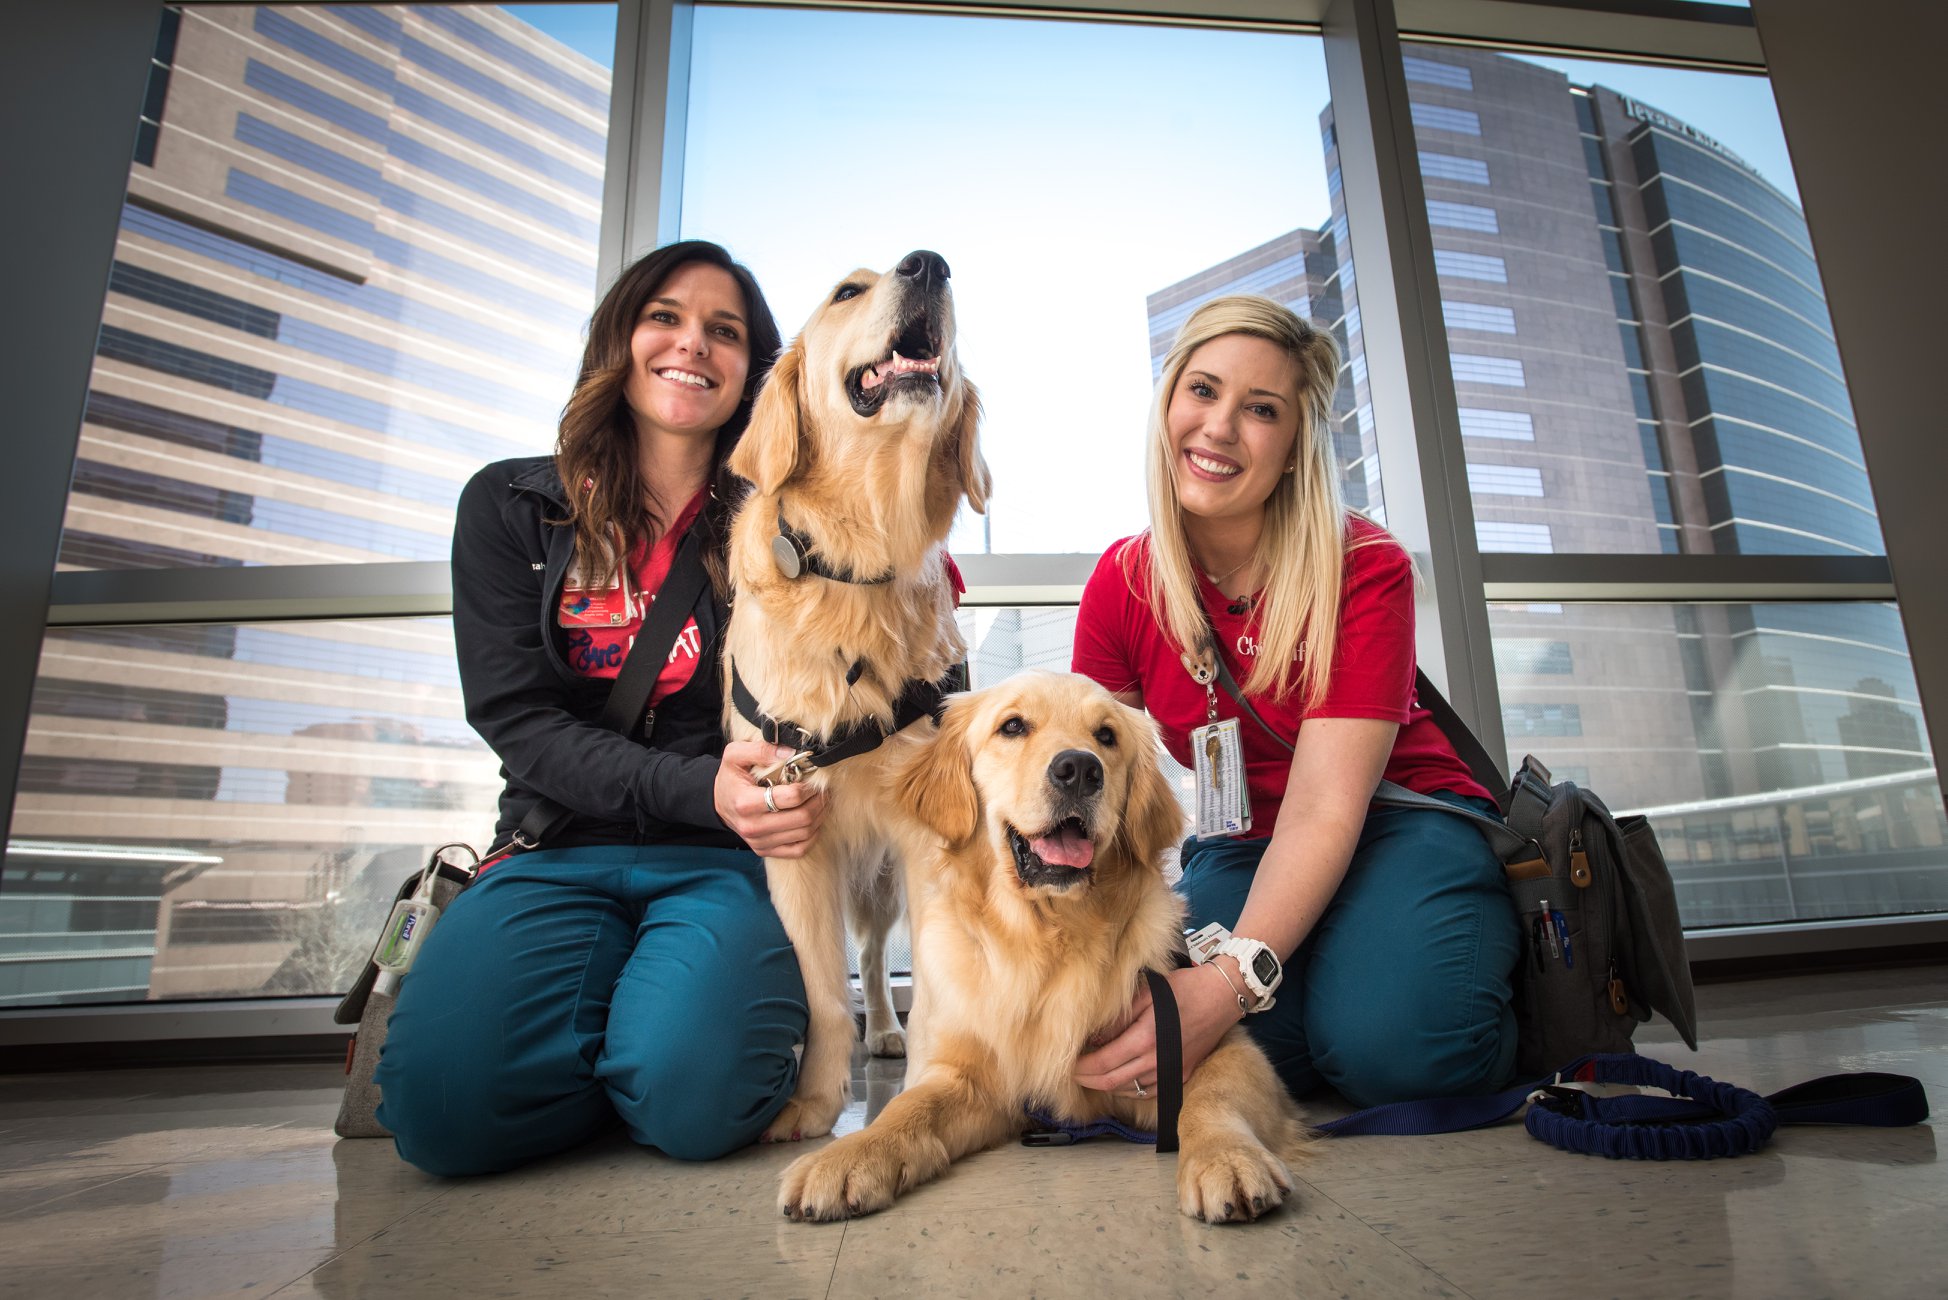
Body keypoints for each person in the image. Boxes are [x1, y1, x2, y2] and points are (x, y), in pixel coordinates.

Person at [375, 241, 826, 1176]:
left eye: (725, 331)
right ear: (620, 336)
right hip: (556, 848)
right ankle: (628, 1042)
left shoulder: (781, 526)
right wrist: (701, 786)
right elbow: (517, 719)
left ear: (753, 369)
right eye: (665, 317)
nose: (692, 345)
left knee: (697, 1111)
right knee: (442, 1122)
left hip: (722, 859)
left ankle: (643, 1047)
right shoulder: (510, 504)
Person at [1070, 294, 1519, 1109]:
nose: (1218, 428)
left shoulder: (1364, 565)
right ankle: (1338, 997)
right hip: (1243, 843)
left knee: (1400, 1056)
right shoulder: (1121, 583)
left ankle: (1455, 982)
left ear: (1293, 446)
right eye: (1203, 391)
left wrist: (1233, 979)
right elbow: (1096, 794)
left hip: (1395, 822)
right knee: (1148, 1037)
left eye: (1261, 410)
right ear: (1169, 402)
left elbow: (1322, 810)